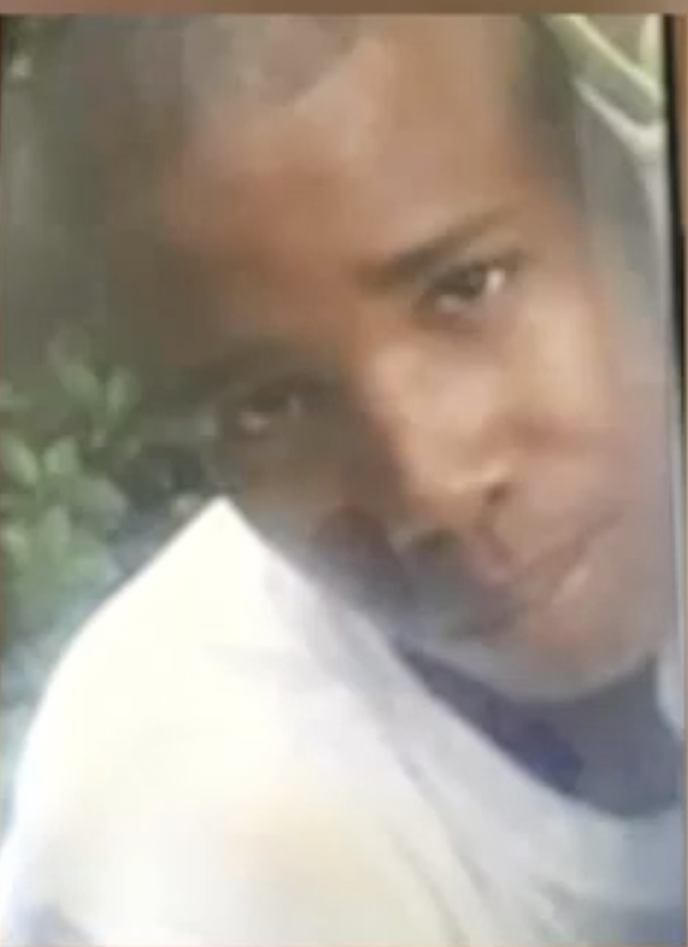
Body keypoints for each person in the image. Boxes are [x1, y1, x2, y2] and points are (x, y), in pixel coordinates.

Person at [0, 15, 683, 946]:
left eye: (468, 286)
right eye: (269, 406)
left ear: (630, 209)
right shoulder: (204, 829)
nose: (430, 489)